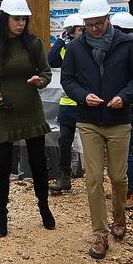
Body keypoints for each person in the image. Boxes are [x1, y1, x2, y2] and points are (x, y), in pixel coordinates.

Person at [61, 0, 133, 260]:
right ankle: (100, 234)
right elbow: (68, 79)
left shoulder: (126, 44)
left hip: (119, 121)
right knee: (94, 178)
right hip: (89, 121)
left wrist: (125, 95)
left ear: (108, 19)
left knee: (119, 177)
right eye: (89, 25)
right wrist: (82, 95)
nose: (94, 29)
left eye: (98, 23)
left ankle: (119, 215)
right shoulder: (76, 48)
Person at [0, 0, 55, 236]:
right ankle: (1, 214)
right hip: (5, 112)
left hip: (32, 111)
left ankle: (44, 207)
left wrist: (40, 80)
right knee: (2, 166)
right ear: (5, 20)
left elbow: (46, 73)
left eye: (24, 19)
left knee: (38, 165)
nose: (21, 24)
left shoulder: (34, 44)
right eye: (16, 19)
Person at [110, 11, 133, 209]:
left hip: (130, 104)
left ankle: (132, 191)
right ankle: (123, 189)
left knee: (126, 151)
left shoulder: (128, 45)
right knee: (122, 150)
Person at [47, 13, 83, 194]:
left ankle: (94, 178)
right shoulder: (64, 49)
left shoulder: (90, 48)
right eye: (77, 30)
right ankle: (64, 177)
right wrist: (60, 41)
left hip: (85, 103)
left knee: (92, 142)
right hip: (67, 104)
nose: (81, 32)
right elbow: (50, 60)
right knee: (64, 141)